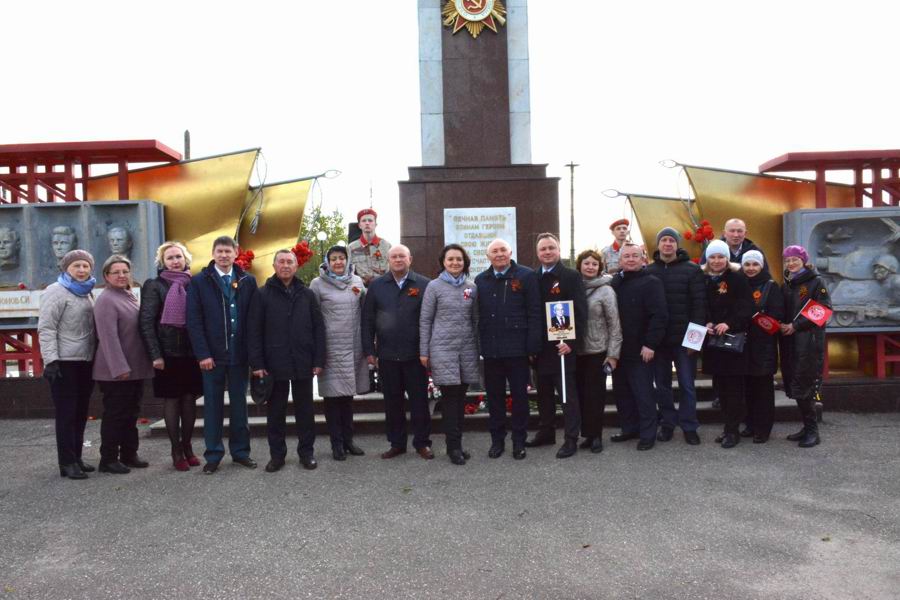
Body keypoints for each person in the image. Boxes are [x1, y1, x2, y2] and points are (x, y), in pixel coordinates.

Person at [186, 235, 258, 474]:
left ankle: (240, 453)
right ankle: (213, 455)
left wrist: (253, 354)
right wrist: (203, 354)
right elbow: (194, 321)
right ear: (213, 253)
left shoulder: (248, 280)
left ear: (236, 252)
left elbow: (253, 321)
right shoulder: (199, 282)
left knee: (240, 407)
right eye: (220, 251)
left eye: (228, 251)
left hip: (239, 355)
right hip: (212, 357)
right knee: (213, 407)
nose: (224, 255)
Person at [248, 249, 325, 472]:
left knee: (305, 412)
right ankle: (277, 456)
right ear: (274, 266)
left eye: (289, 262)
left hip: (303, 360)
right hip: (274, 363)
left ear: (296, 266)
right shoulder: (262, 294)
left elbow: (318, 328)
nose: (285, 265)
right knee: (276, 413)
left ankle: (306, 453)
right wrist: (258, 363)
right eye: (281, 262)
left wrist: (318, 359)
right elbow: (254, 331)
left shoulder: (307, 294)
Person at [362, 244, 433, 459]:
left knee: (419, 401)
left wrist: (428, 350)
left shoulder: (424, 284)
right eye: (394, 256)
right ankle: (397, 443)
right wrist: (369, 351)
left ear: (410, 258)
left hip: (415, 355)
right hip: (387, 354)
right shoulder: (376, 286)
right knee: (392, 402)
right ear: (388, 260)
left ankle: (422, 443)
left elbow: (429, 320)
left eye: (402, 256)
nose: (398, 259)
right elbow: (367, 321)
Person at [139, 241, 204, 471]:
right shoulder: (154, 285)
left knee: (189, 400)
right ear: (163, 262)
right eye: (170, 258)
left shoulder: (194, 284)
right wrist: (155, 354)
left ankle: (187, 446)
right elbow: (146, 322)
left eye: (178, 257)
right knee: (172, 401)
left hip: (191, 353)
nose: (175, 261)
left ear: (185, 259)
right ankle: (175, 450)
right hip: (167, 354)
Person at [475, 238, 542, 460]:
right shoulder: (480, 280)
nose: (499, 254)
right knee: (494, 397)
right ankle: (497, 440)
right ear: (488, 257)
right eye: (494, 251)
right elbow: (478, 316)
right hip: (492, 350)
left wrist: (532, 345)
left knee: (520, 397)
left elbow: (534, 312)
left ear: (511, 252)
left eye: (503, 250)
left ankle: (519, 440)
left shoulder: (526, 276)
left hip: (518, 350)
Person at [38, 249, 97, 479]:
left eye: (85, 266)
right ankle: (67, 462)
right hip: (64, 362)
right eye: (76, 266)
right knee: (66, 414)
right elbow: (46, 328)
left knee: (81, 412)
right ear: (66, 268)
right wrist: (50, 360)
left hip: (85, 361)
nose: (81, 270)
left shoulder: (87, 292)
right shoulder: (56, 291)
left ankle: (78, 457)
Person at [92, 255, 154, 474]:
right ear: (106, 276)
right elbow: (108, 338)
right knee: (115, 414)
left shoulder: (128, 295)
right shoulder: (106, 300)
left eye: (125, 271)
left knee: (131, 413)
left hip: (134, 368)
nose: (121, 276)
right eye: (116, 272)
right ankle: (108, 459)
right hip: (115, 372)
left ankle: (129, 453)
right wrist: (120, 368)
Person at [526, 233, 586, 459]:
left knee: (567, 396)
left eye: (551, 248)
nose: (547, 252)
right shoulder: (532, 277)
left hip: (562, 346)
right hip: (540, 347)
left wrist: (572, 343)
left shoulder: (570, 276)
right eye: (543, 249)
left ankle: (571, 438)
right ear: (538, 253)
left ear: (558, 250)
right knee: (543, 395)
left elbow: (580, 312)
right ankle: (546, 431)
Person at [420, 244, 480, 465]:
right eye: (450, 259)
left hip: (466, 350)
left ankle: (457, 444)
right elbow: (425, 320)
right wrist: (424, 351)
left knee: (460, 399)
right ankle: (453, 447)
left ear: (465, 262)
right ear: (443, 262)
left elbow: (475, 320)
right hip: (442, 350)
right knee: (450, 400)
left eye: (459, 259)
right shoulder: (433, 287)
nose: (455, 263)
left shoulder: (472, 287)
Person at [645, 227, 707, 445]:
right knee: (661, 385)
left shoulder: (692, 270)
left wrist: (695, 340)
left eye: (672, 240)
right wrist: (648, 340)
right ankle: (668, 424)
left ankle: (689, 425)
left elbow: (700, 306)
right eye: (664, 240)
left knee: (687, 385)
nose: (668, 244)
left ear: (677, 245)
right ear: (658, 244)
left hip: (684, 340)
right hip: (659, 342)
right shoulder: (649, 271)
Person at [309, 245, 369, 461]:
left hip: (352, 346)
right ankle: (336, 443)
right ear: (327, 261)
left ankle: (348, 440)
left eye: (341, 258)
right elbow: (313, 317)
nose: (338, 262)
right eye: (333, 258)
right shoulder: (317, 284)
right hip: (330, 349)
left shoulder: (356, 281)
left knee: (347, 398)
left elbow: (365, 309)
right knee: (333, 399)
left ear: (347, 259)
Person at [610, 243, 668, 450]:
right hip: (618, 350)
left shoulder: (652, 282)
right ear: (620, 260)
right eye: (627, 256)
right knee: (622, 392)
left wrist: (650, 344)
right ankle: (629, 428)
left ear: (643, 259)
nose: (631, 259)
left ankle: (648, 434)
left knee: (643, 394)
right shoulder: (615, 283)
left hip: (641, 349)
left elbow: (659, 316)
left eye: (635, 256)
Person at [702, 240, 753, 448]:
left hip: (732, 343)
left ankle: (733, 431)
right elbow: (701, 304)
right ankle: (727, 428)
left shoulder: (737, 278)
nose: (716, 261)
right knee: (721, 389)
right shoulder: (704, 279)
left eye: (720, 257)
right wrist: (706, 321)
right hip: (713, 342)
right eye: (712, 257)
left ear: (727, 259)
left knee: (733, 390)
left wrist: (728, 323)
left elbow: (746, 307)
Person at [780, 245, 831, 448]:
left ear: (803, 260)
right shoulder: (787, 284)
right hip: (790, 341)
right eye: (788, 260)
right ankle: (806, 426)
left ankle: (813, 430)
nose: (791, 263)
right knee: (796, 383)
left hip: (808, 341)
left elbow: (823, 309)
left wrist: (796, 325)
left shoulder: (816, 282)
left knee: (806, 384)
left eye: (795, 259)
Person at [574, 249, 622, 454]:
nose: (590, 267)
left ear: (599, 267)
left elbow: (614, 324)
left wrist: (613, 355)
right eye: (586, 263)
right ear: (579, 266)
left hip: (597, 350)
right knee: (581, 395)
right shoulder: (573, 288)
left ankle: (596, 436)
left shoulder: (606, 291)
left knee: (595, 396)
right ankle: (586, 434)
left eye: (594, 264)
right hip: (576, 350)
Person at [741, 250, 784, 444]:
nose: (751, 269)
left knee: (763, 390)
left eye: (754, 264)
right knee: (747, 389)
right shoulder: (739, 284)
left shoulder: (771, 286)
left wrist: (758, 317)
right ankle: (750, 424)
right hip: (742, 346)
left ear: (761, 266)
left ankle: (763, 428)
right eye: (747, 264)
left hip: (763, 345)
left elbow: (777, 315)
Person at [348, 208, 392, 286]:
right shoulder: (351, 248)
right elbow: (349, 272)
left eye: (370, 220)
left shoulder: (386, 246)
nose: (367, 223)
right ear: (359, 225)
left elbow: (392, 269)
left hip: (383, 287)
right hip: (362, 290)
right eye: (364, 221)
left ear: (375, 224)